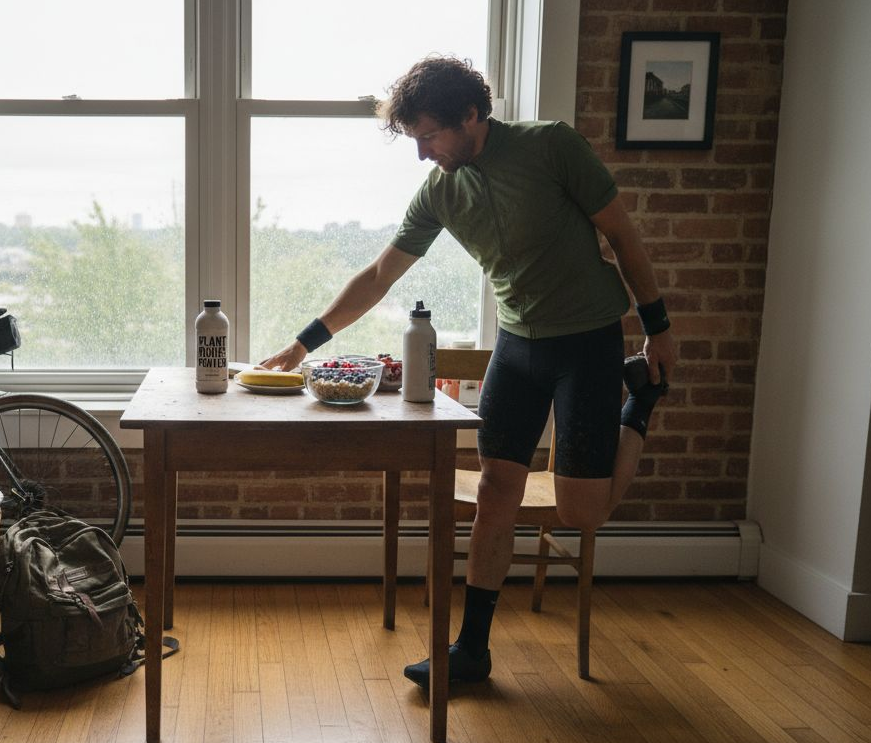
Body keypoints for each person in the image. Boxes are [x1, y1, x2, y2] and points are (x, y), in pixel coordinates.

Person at [259, 56, 677, 687]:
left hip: (588, 339)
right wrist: (303, 344)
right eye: (414, 139)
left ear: (471, 115)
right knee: (493, 492)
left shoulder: (551, 146)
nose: (422, 153)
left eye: (429, 136)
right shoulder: (440, 191)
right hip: (519, 346)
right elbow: (378, 276)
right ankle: (472, 650)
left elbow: (622, 235)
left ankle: (639, 406)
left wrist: (658, 327)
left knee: (581, 513)